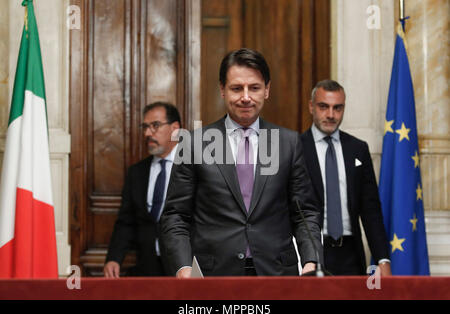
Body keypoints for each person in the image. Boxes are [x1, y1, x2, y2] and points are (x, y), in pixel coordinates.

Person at [160, 48, 322, 277]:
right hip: (212, 276)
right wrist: (183, 267)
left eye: (254, 88)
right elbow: (176, 215)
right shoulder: (194, 144)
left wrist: (311, 260)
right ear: (222, 90)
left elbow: (305, 212)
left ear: (267, 90)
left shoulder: (289, 143)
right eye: (236, 88)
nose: (246, 97)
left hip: (277, 274)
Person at [300, 80, 391, 276]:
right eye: (323, 107)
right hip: (311, 253)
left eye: (337, 108)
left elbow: (371, 210)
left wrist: (383, 260)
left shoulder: (358, 149)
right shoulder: (296, 148)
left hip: (351, 254)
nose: (331, 115)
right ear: (311, 107)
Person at [103, 102, 181, 277]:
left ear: (175, 128)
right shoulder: (137, 172)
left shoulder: (194, 168)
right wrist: (114, 258)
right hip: (147, 267)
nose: (147, 133)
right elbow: (126, 220)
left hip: (184, 268)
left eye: (155, 126)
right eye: (145, 127)